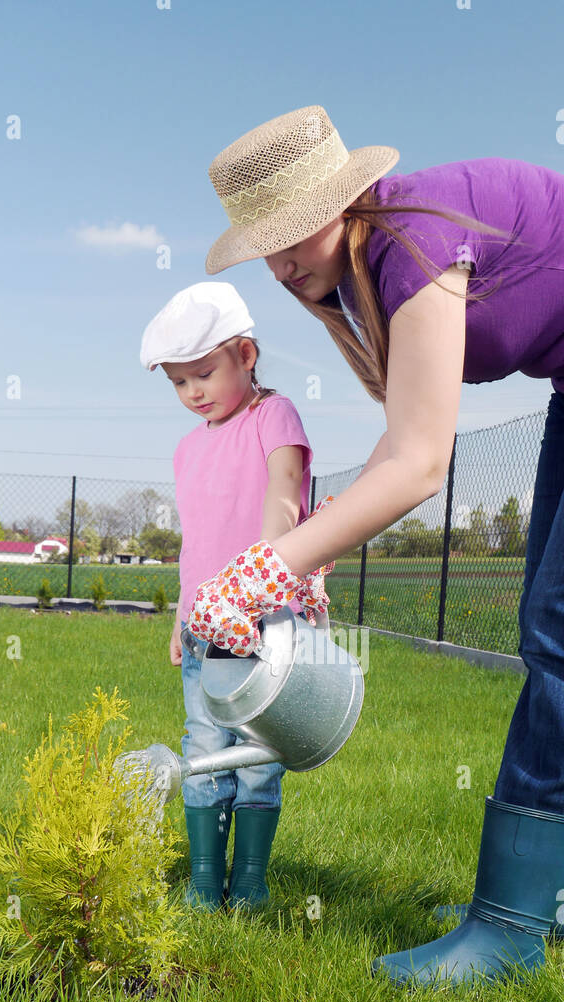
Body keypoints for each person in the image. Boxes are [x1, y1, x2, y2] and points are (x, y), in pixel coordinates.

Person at [185, 105, 564, 988]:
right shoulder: (368, 269)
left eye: (295, 229)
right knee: (563, 628)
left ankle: (509, 929)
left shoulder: (409, 244)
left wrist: (263, 567)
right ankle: (557, 903)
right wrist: (313, 555)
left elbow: (418, 466)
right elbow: (396, 444)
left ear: (344, 196)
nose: (284, 261)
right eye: (265, 241)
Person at [137, 281, 329, 911]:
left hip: (263, 623)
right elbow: (197, 544)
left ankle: (248, 879)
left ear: (245, 355)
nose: (193, 393)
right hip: (204, 627)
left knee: (256, 756)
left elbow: (285, 489)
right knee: (204, 747)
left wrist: (260, 580)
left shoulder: (271, 417)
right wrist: (181, 615)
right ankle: (202, 881)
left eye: (204, 374)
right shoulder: (187, 450)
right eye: (177, 383)